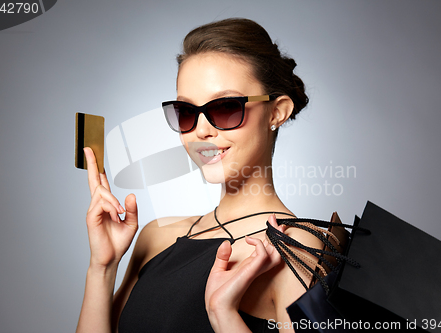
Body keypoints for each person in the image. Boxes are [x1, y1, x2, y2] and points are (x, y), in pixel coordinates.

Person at [76, 18, 330, 333]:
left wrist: (224, 315)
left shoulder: (297, 248)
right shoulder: (156, 237)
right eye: (186, 112)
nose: (201, 131)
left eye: (225, 107)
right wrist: (102, 268)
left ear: (276, 112)